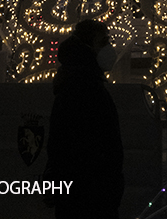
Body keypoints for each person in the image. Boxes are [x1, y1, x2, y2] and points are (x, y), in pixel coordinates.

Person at [46, 18, 123, 219]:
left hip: (80, 193)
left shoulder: (73, 82)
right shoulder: (86, 89)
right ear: (88, 47)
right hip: (91, 195)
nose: (109, 48)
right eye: (104, 42)